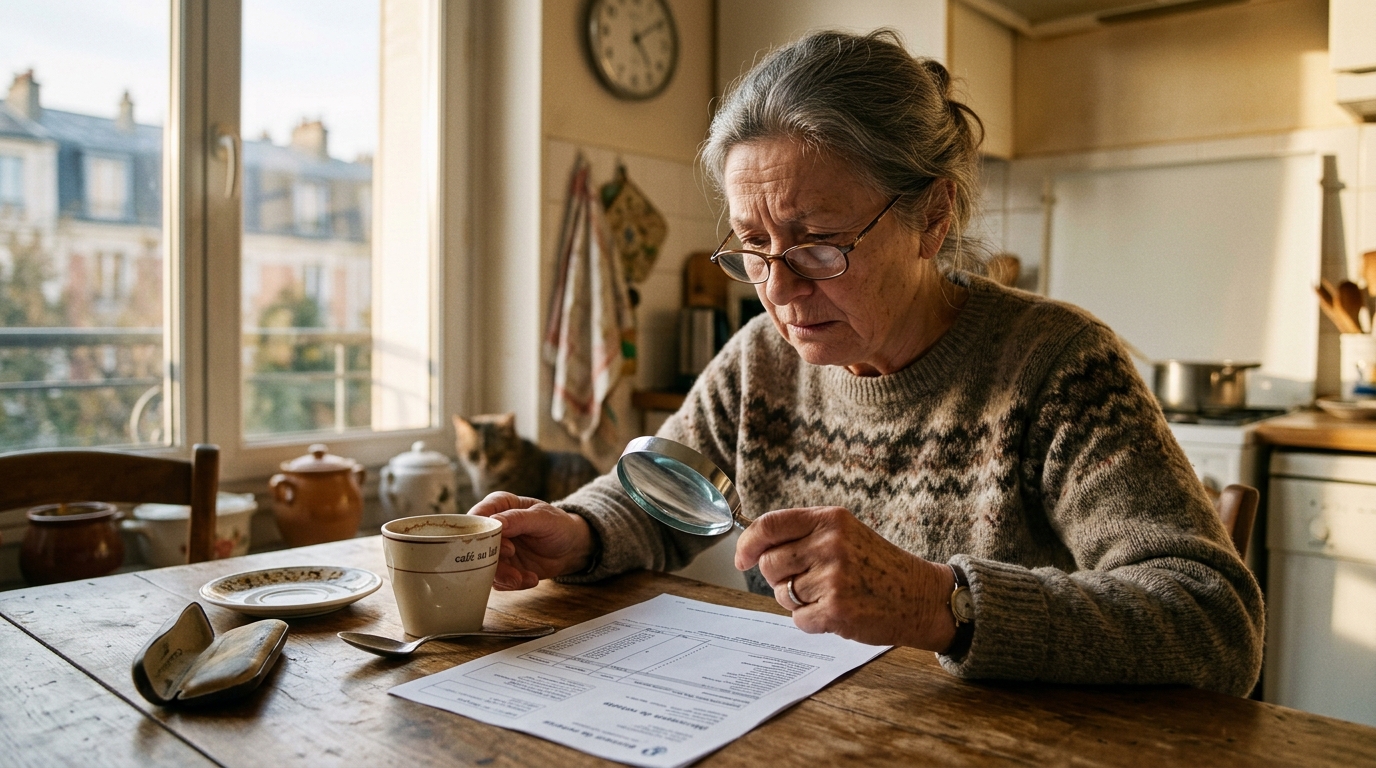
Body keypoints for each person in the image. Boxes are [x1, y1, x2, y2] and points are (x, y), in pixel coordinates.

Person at [472, 29, 1264, 697]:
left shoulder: (1056, 366)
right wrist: (577, 531)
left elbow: (1215, 624)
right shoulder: (761, 361)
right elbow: (661, 496)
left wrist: (942, 604)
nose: (779, 290)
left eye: (820, 243)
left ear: (932, 216)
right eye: (754, 245)